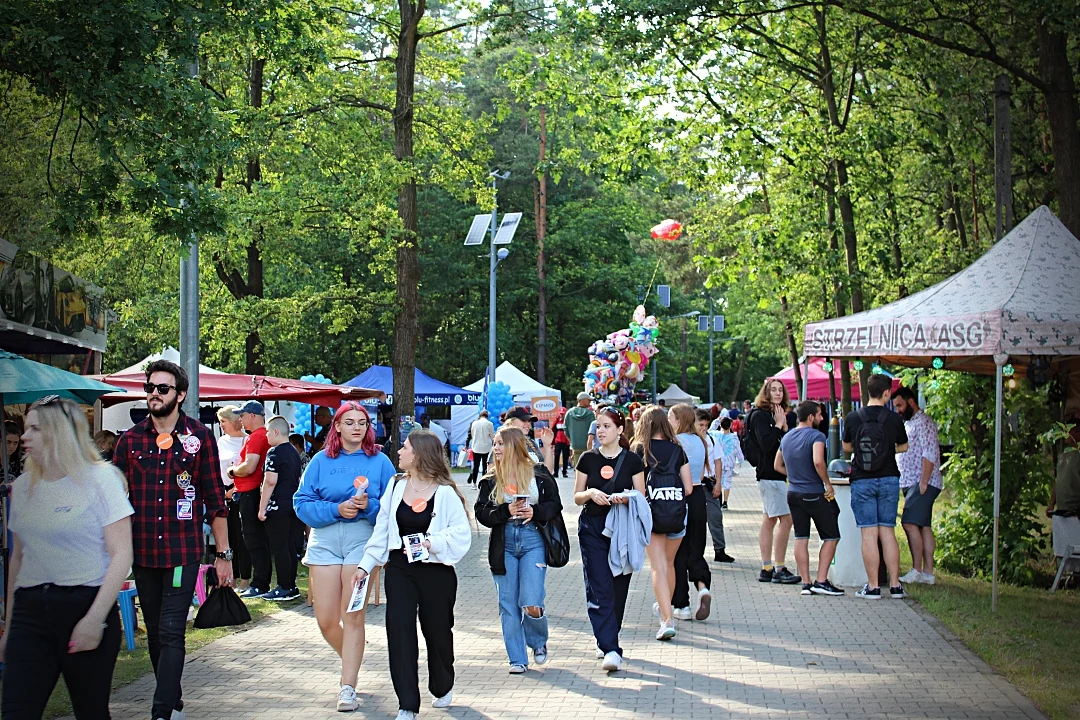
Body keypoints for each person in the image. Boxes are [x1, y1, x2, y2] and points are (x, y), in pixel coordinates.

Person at [113, 360, 233, 720]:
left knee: (170, 629)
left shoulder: (199, 438)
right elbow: (115, 501)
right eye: (149, 387)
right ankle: (174, 701)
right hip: (144, 552)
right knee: (155, 633)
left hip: (183, 553)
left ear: (180, 395)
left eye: (162, 388)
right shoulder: (129, 441)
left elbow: (216, 500)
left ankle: (161, 710)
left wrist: (224, 555)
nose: (153, 394)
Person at [1, 396, 134, 719]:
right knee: (16, 710)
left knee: (90, 711)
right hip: (31, 610)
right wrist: (10, 625)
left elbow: (121, 554)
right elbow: (18, 559)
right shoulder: (23, 487)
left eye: (34, 428)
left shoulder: (102, 480)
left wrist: (94, 619)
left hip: (85, 603)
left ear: (57, 432)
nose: (25, 437)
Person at [353, 431, 472, 720]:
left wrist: (432, 543)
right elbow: (382, 530)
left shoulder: (444, 492)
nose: (399, 451)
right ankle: (407, 703)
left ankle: (442, 686)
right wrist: (365, 565)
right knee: (400, 631)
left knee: (438, 632)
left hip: (436, 571)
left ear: (419, 454)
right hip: (400, 569)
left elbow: (460, 533)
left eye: (404, 447)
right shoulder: (395, 486)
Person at [293, 401, 397, 712]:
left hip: (362, 542)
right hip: (325, 540)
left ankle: (347, 685)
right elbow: (301, 502)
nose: (356, 427)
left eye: (362, 423)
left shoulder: (380, 461)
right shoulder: (321, 461)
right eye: (349, 422)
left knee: (352, 615)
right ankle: (353, 656)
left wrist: (370, 507)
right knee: (326, 620)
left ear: (369, 428)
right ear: (337, 426)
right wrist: (335, 509)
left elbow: (393, 506)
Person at [475, 427, 562, 672]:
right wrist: (505, 511)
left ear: (514, 445)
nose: (496, 449)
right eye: (494, 444)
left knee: (531, 600)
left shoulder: (538, 473)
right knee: (508, 603)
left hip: (532, 538)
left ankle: (537, 641)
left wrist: (535, 512)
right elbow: (481, 512)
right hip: (504, 541)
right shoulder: (491, 477)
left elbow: (555, 504)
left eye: (501, 443)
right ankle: (517, 659)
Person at [574, 407, 647, 672]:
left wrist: (625, 497)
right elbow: (576, 496)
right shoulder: (587, 459)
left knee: (618, 587)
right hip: (593, 527)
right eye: (598, 426)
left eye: (606, 426)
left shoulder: (632, 461)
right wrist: (591, 492)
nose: (600, 431)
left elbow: (642, 496)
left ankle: (607, 635)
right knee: (599, 585)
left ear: (620, 430)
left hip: (622, 530)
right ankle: (611, 648)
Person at [842, 373, 909, 599]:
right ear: (887, 393)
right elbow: (904, 446)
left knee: (869, 533)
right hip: (889, 478)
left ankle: (872, 587)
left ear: (867, 391)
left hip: (862, 479)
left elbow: (847, 448)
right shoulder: (894, 419)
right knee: (887, 531)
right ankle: (895, 585)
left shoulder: (853, 417)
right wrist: (887, 450)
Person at [633, 406, 691, 641]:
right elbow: (687, 488)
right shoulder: (678, 450)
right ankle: (666, 607)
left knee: (658, 567)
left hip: (652, 515)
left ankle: (667, 620)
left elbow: (638, 489)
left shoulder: (639, 450)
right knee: (670, 563)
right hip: (676, 513)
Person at [775, 401, 844, 596]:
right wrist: (827, 484)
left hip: (793, 493)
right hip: (814, 492)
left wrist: (793, 476)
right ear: (812, 417)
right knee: (831, 536)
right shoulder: (817, 436)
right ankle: (821, 580)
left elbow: (777, 465)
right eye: (820, 415)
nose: (822, 418)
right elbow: (818, 461)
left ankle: (805, 582)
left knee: (801, 536)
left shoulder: (787, 437)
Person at [747, 379, 800, 585]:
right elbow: (768, 445)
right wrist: (778, 426)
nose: (778, 393)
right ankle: (778, 567)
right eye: (773, 390)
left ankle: (767, 567)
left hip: (777, 474)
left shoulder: (776, 414)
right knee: (786, 520)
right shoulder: (761, 416)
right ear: (766, 393)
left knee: (769, 519)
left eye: (780, 390)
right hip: (769, 474)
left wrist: (784, 427)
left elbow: (785, 445)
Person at [892, 387, 944, 586]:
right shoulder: (911, 423)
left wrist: (924, 481)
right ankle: (928, 573)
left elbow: (929, 452)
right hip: (911, 480)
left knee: (909, 523)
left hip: (921, 482)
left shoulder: (924, 422)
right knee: (923, 526)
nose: (897, 410)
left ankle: (917, 569)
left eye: (900, 405)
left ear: (911, 402)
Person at [668, 404, 713, 621]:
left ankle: (681, 604)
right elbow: (703, 473)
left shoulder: (676, 443)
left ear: (679, 420)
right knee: (696, 548)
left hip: (679, 497)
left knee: (678, 552)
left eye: (670, 417)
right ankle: (703, 587)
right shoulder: (701, 441)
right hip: (698, 495)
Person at [226, 401, 273, 598]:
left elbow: (250, 466)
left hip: (250, 491)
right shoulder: (263, 436)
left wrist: (232, 471)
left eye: (242, 415)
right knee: (254, 539)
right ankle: (260, 581)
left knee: (253, 539)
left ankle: (260, 583)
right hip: (252, 491)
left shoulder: (256, 437)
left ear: (252, 416)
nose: (240, 419)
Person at [257, 416, 304, 601]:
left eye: (268, 432)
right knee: (290, 546)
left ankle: (284, 586)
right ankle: (290, 585)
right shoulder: (294, 451)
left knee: (280, 547)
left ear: (276, 431)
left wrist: (262, 508)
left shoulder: (274, 452)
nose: (267, 436)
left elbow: (270, 481)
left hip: (277, 505)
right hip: (292, 504)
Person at [217, 405, 252, 591]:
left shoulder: (248, 440)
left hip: (241, 491)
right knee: (228, 538)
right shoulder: (221, 441)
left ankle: (245, 577)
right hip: (223, 493)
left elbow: (251, 468)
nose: (221, 424)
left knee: (242, 537)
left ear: (233, 420)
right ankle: (233, 576)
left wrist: (234, 488)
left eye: (223, 421)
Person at [697, 408, 733, 563]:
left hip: (710, 482)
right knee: (696, 520)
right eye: (700, 425)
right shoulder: (689, 440)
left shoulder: (712, 439)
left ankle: (720, 549)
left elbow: (718, 461)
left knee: (715, 517)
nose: (703, 428)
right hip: (695, 484)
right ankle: (696, 552)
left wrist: (719, 482)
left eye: (706, 425)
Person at [1047, 414, 1080, 517]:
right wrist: (1051, 503)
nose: (1065, 434)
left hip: (1075, 512)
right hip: (1062, 512)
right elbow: (1058, 479)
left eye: (1068, 431)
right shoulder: (1063, 455)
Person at [503, 406, 554, 471]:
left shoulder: (531, 443)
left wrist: (547, 446)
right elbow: (492, 474)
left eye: (529, 421)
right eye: (523, 420)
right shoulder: (502, 442)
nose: (528, 424)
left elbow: (547, 472)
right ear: (511, 422)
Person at [714, 417, 743, 509]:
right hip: (729, 463)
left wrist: (717, 421)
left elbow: (710, 429)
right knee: (727, 482)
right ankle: (725, 502)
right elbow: (738, 450)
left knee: (718, 481)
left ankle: (718, 499)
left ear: (720, 425)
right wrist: (740, 460)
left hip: (718, 462)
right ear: (730, 425)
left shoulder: (716, 435)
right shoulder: (734, 437)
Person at [565, 392, 595, 467]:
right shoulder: (590, 414)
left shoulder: (569, 413)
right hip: (588, 446)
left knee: (578, 468)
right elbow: (594, 430)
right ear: (583, 400)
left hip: (575, 446)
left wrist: (572, 441)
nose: (590, 402)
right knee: (588, 469)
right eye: (588, 400)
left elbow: (566, 430)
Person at [467, 410, 495, 485]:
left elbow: (472, 434)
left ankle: (474, 483)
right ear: (487, 416)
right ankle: (483, 483)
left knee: (475, 466)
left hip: (476, 447)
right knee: (485, 466)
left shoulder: (474, 423)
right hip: (486, 447)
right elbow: (492, 436)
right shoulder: (489, 424)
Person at [552, 406, 572, 478]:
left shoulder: (568, 421)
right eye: (561, 413)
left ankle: (564, 472)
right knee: (556, 457)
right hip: (558, 441)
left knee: (565, 458)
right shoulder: (557, 420)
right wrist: (553, 442)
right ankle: (556, 472)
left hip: (565, 441)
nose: (562, 415)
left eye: (563, 414)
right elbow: (553, 430)